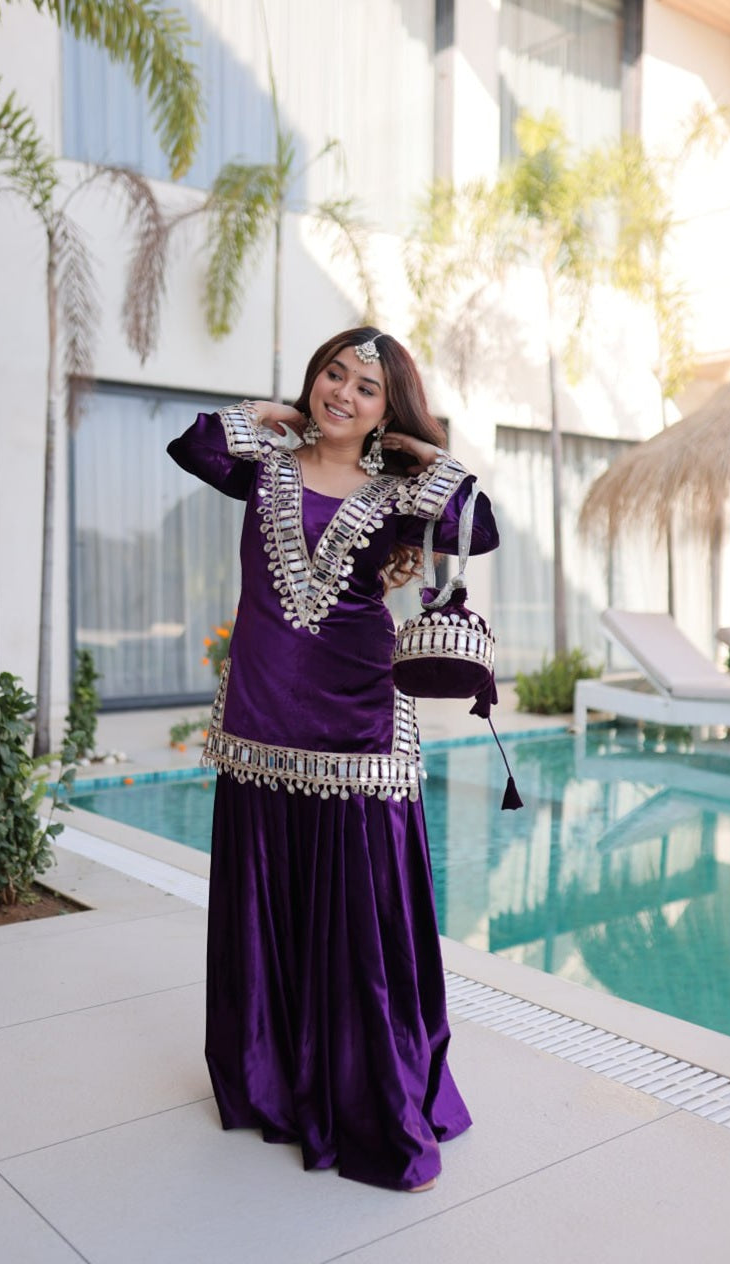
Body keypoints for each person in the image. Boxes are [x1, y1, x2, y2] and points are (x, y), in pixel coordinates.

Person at [167, 326, 499, 1192]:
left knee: (362, 912)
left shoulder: (397, 490)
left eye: (367, 389)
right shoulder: (266, 466)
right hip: (262, 716)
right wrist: (267, 414)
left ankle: (368, 1096)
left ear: (388, 410)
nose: (342, 394)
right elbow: (193, 446)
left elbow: (479, 525)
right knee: (266, 903)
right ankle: (269, 1078)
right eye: (333, 375)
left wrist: (425, 449)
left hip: (359, 722)